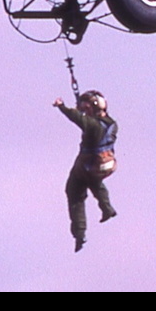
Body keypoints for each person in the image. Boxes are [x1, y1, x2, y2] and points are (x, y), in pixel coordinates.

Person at [53, 90, 119, 252]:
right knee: (94, 181)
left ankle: (79, 233)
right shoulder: (111, 123)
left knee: (74, 192)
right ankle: (107, 208)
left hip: (88, 164)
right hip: (107, 163)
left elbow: (77, 118)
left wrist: (62, 107)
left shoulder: (92, 125)